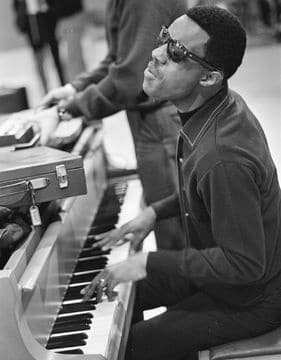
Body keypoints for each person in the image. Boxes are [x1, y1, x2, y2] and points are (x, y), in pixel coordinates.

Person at [80, 6, 281, 360]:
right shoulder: (208, 112)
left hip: (251, 298)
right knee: (115, 298)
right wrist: (154, 213)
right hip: (226, 279)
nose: (156, 53)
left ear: (209, 78)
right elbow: (200, 192)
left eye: (176, 53)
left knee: (133, 344)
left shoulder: (222, 155)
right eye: (164, 38)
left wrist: (147, 263)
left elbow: (246, 264)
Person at [40, 0, 187, 250]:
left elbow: (131, 79)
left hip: (162, 121)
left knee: (177, 233)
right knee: (169, 228)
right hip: (150, 119)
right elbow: (118, 58)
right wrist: (74, 89)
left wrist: (67, 110)